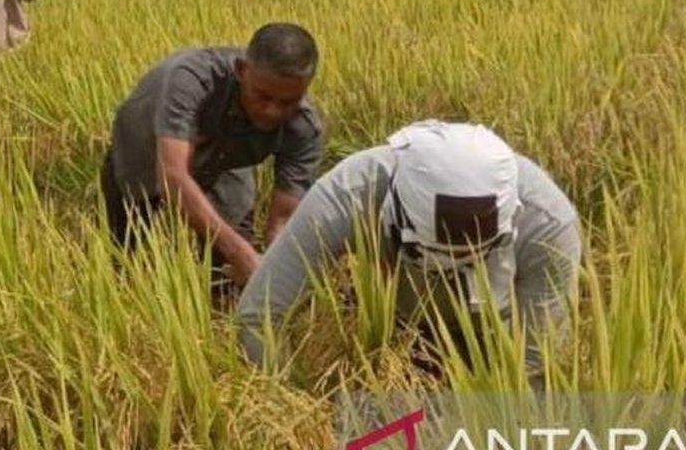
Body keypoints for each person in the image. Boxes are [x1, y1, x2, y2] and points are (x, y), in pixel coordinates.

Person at [237, 120, 581, 385]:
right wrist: (301, 412)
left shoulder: (548, 225)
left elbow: (535, 365)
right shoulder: (350, 193)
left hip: (497, 334)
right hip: (395, 326)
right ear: (396, 211)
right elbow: (260, 313)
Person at [100, 23, 324, 291]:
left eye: (288, 102)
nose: (273, 111)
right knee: (126, 243)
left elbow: (284, 218)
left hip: (225, 161)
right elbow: (173, 178)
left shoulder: (303, 127)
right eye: (263, 97)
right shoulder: (191, 81)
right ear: (242, 71)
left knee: (231, 268)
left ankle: (221, 311)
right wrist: (237, 250)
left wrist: (270, 268)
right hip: (147, 148)